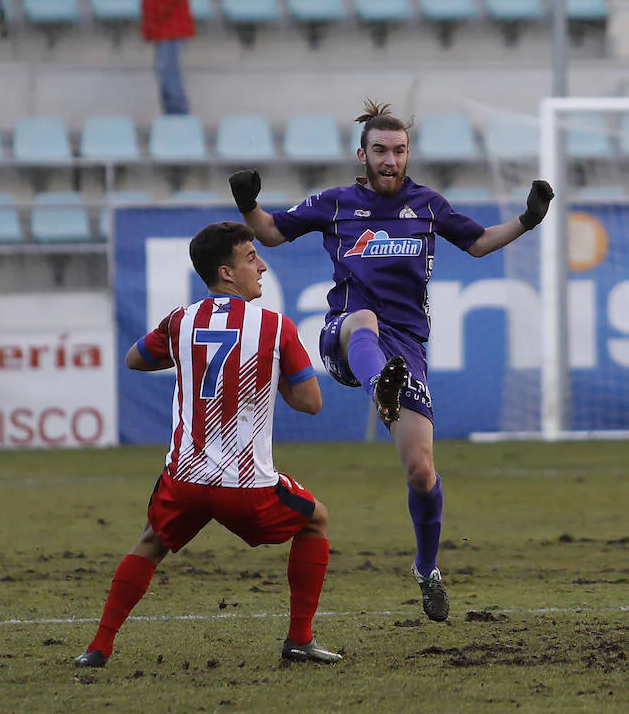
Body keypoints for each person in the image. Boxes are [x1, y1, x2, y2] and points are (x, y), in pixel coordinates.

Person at [228, 99, 554, 623]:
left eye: (399, 151)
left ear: (407, 154)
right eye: (380, 150)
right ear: (363, 154)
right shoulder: (335, 204)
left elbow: (478, 243)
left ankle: (427, 569)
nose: (390, 160)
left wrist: (527, 219)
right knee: (364, 322)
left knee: (422, 471)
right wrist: (248, 203)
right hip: (346, 337)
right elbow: (269, 231)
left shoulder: (427, 205)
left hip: (405, 349)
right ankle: (381, 382)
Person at [74, 221, 342, 668]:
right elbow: (310, 403)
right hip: (247, 486)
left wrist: (184, 355)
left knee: (150, 543)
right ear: (227, 272)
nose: (262, 264)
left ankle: (98, 647)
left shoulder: (181, 320)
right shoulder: (275, 326)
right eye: (251, 257)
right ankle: (299, 640)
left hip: (186, 479)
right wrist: (269, 375)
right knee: (316, 519)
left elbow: (135, 359)